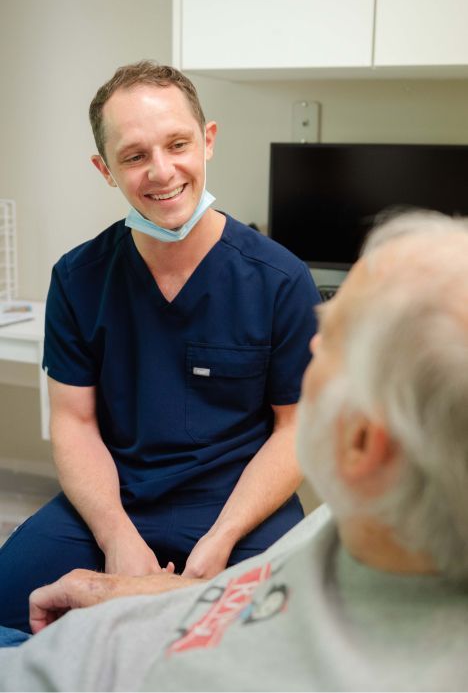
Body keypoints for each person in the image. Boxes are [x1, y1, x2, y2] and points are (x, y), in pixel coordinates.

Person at [2, 210, 468, 692]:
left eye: (332, 334)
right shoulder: (350, 532)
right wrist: (127, 591)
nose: (310, 340)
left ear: (362, 442)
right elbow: (252, 597)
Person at [0, 61, 320, 633]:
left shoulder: (278, 279)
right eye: (134, 156)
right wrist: (117, 538)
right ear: (105, 169)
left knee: (277, 631)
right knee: (8, 598)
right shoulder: (79, 278)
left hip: (238, 505)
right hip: (116, 496)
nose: (162, 171)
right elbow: (75, 423)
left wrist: (221, 538)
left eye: (178, 144)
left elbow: (296, 428)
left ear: (208, 140)